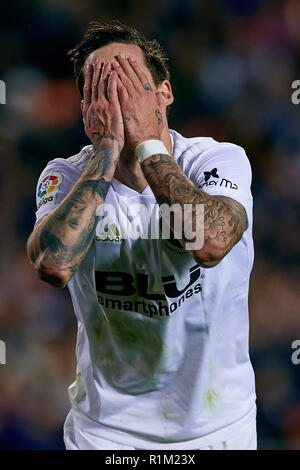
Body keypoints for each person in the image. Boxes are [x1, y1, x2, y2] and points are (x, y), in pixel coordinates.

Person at [27, 21, 256, 450]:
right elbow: (53, 264)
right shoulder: (65, 175)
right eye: (103, 86)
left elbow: (208, 243)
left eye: (131, 82)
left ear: (164, 93)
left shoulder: (218, 160)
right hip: (105, 432)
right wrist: (108, 149)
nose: (120, 97)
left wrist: (149, 145)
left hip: (218, 427)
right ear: (86, 109)